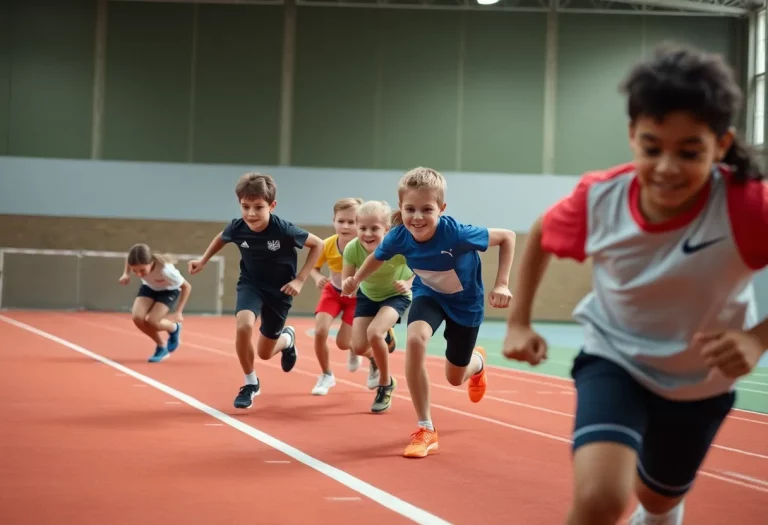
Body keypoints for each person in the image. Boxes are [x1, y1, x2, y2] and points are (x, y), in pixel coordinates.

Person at [502, 43, 768, 525]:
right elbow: (542, 230)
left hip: (700, 380)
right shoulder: (601, 198)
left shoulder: (746, 206)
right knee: (602, 499)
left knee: (658, 500)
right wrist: (517, 323)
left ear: (721, 145)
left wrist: (756, 337)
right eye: (652, 148)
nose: (667, 167)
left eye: (689, 152)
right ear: (632, 135)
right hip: (615, 357)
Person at [343, 167, 516, 457]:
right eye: (410, 209)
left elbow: (508, 236)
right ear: (400, 208)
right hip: (429, 296)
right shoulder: (399, 236)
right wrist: (356, 280)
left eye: (427, 209)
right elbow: (378, 255)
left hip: (465, 304)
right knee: (414, 340)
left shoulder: (457, 234)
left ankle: (477, 363)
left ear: (442, 208)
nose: (417, 217)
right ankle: (426, 428)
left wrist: (502, 284)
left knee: (455, 377)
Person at [189, 173, 323, 409]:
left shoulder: (284, 230)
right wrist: (203, 260)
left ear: (272, 205)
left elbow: (318, 244)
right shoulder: (238, 227)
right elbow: (221, 238)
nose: (251, 213)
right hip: (251, 284)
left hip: (280, 291)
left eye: (258, 207)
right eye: (245, 206)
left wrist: (301, 279)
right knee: (243, 325)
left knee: (264, 352)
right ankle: (250, 383)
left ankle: (288, 340)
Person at [342, 200, 413, 413]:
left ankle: (385, 383)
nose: (368, 233)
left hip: (395, 295)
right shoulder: (352, 248)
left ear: (387, 229)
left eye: (375, 228)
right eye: (362, 228)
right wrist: (349, 284)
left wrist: (408, 283)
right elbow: (348, 281)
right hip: (368, 296)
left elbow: (422, 268)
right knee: (359, 347)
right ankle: (376, 354)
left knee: (375, 332)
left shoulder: (399, 247)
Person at [309, 197, 364, 396]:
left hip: (356, 298)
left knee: (343, 343)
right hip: (333, 292)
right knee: (320, 331)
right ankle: (326, 374)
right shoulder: (327, 245)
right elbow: (313, 267)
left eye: (352, 222)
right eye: (341, 221)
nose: (346, 226)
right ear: (334, 221)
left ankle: (368, 356)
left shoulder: (365, 247)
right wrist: (317, 277)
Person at [118, 243, 191, 363]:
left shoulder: (166, 271)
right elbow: (129, 259)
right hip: (149, 288)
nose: (139, 274)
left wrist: (179, 312)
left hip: (169, 291)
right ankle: (161, 346)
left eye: (142, 270)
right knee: (137, 318)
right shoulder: (137, 264)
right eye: (135, 270)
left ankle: (174, 328)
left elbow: (187, 287)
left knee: (153, 321)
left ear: (151, 263)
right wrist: (126, 273)